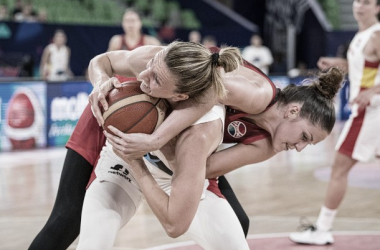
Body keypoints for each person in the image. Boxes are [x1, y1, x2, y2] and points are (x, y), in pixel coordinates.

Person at [78, 42, 343, 249]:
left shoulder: (264, 144)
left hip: (170, 164)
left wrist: (155, 146)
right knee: (75, 229)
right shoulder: (255, 94)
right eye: (305, 138)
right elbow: (103, 61)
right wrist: (102, 84)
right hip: (131, 143)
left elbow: (199, 169)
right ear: (293, 111)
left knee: (235, 234)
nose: (299, 148)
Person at [28, 42, 248, 250]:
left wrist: (136, 161)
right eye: (151, 66)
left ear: (180, 96)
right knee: (90, 239)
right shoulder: (155, 60)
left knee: (234, 240)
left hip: (170, 170)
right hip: (123, 156)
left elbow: (174, 225)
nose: (143, 76)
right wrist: (100, 81)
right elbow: (102, 60)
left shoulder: (198, 134)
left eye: (156, 80)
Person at [289, 0, 380, 245]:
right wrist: (338, 64)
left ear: (378, 7)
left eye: (367, 2)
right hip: (370, 112)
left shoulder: (377, 36)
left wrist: (373, 91)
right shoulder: (362, 36)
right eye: (358, 1)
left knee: (339, 169)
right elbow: (361, 68)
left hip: (370, 112)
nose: (360, 6)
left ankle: (322, 229)